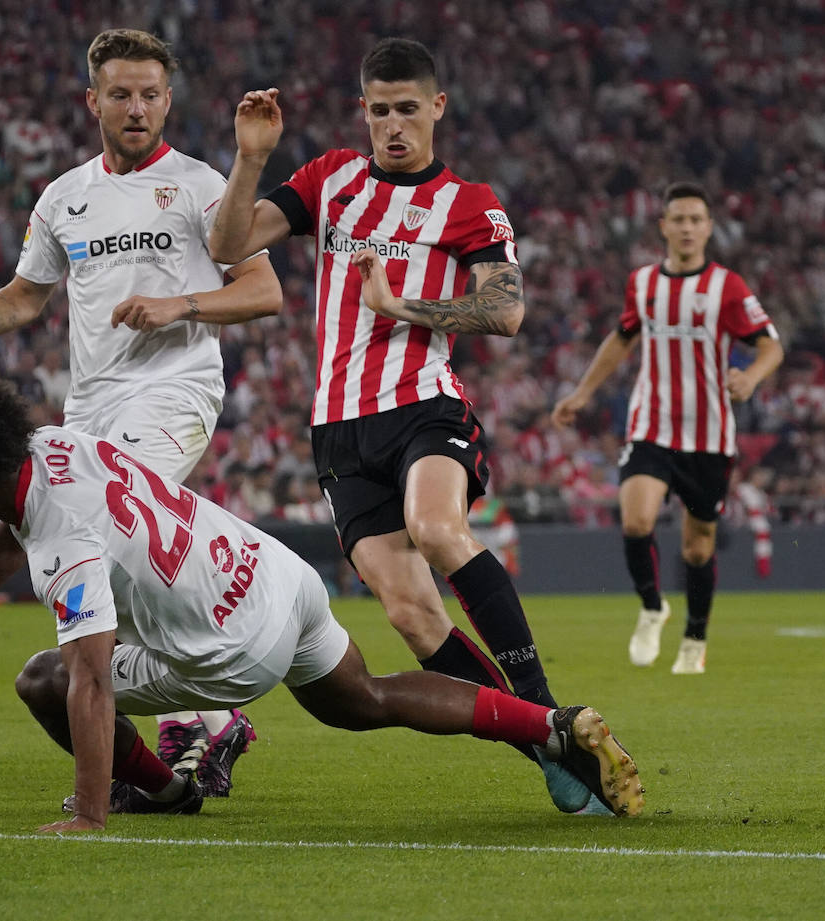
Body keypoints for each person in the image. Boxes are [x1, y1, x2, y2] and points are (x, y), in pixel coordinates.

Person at [0, 369, 645, 830]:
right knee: (362, 698)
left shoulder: (62, 540)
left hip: (233, 649)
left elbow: (90, 681)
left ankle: (164, 791)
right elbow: (11, 523)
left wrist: (88, 813)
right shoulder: (52, 443)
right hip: (276, 574)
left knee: (44, 678)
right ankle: (548, 725)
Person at [206, 38, 596, 812]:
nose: (393, 124)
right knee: (413, 617)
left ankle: (547, 701)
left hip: (423, 403)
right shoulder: (331, 180)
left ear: (437, 108)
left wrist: (400, 306)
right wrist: (251, 158)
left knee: (438, 527)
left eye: (408, 109)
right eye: (380, 109)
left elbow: (506, 310)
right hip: (339, 430)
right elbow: (227, 245)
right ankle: (547, 738)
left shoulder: (471, 202)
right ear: (364, 110)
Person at [0, 29, 283, 800]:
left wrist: (179, 304)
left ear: (168, 100)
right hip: (90, 408)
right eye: (121, 94)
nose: (137, 107)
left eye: (150, 94)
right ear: (94, 101)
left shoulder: (202, 185)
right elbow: (26, 294)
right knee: (79, 533)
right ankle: (200, 722)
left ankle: (200, 718)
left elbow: (262, 290)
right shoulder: (63, 197)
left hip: (175, 391)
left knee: (107, 533)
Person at [552, 182, 784, 675]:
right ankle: (652, 606)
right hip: (651, 424)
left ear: (708, 228)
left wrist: (750, 377)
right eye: (677, 219)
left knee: (697, 546)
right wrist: (583, 392)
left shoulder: (728, 287)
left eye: (695, 220)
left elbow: (771, 346)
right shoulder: (642, 283)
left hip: (709, 434)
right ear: (663, 226)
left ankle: (694, 639)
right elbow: (622, 339)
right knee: (635, 520)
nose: (686, 228)